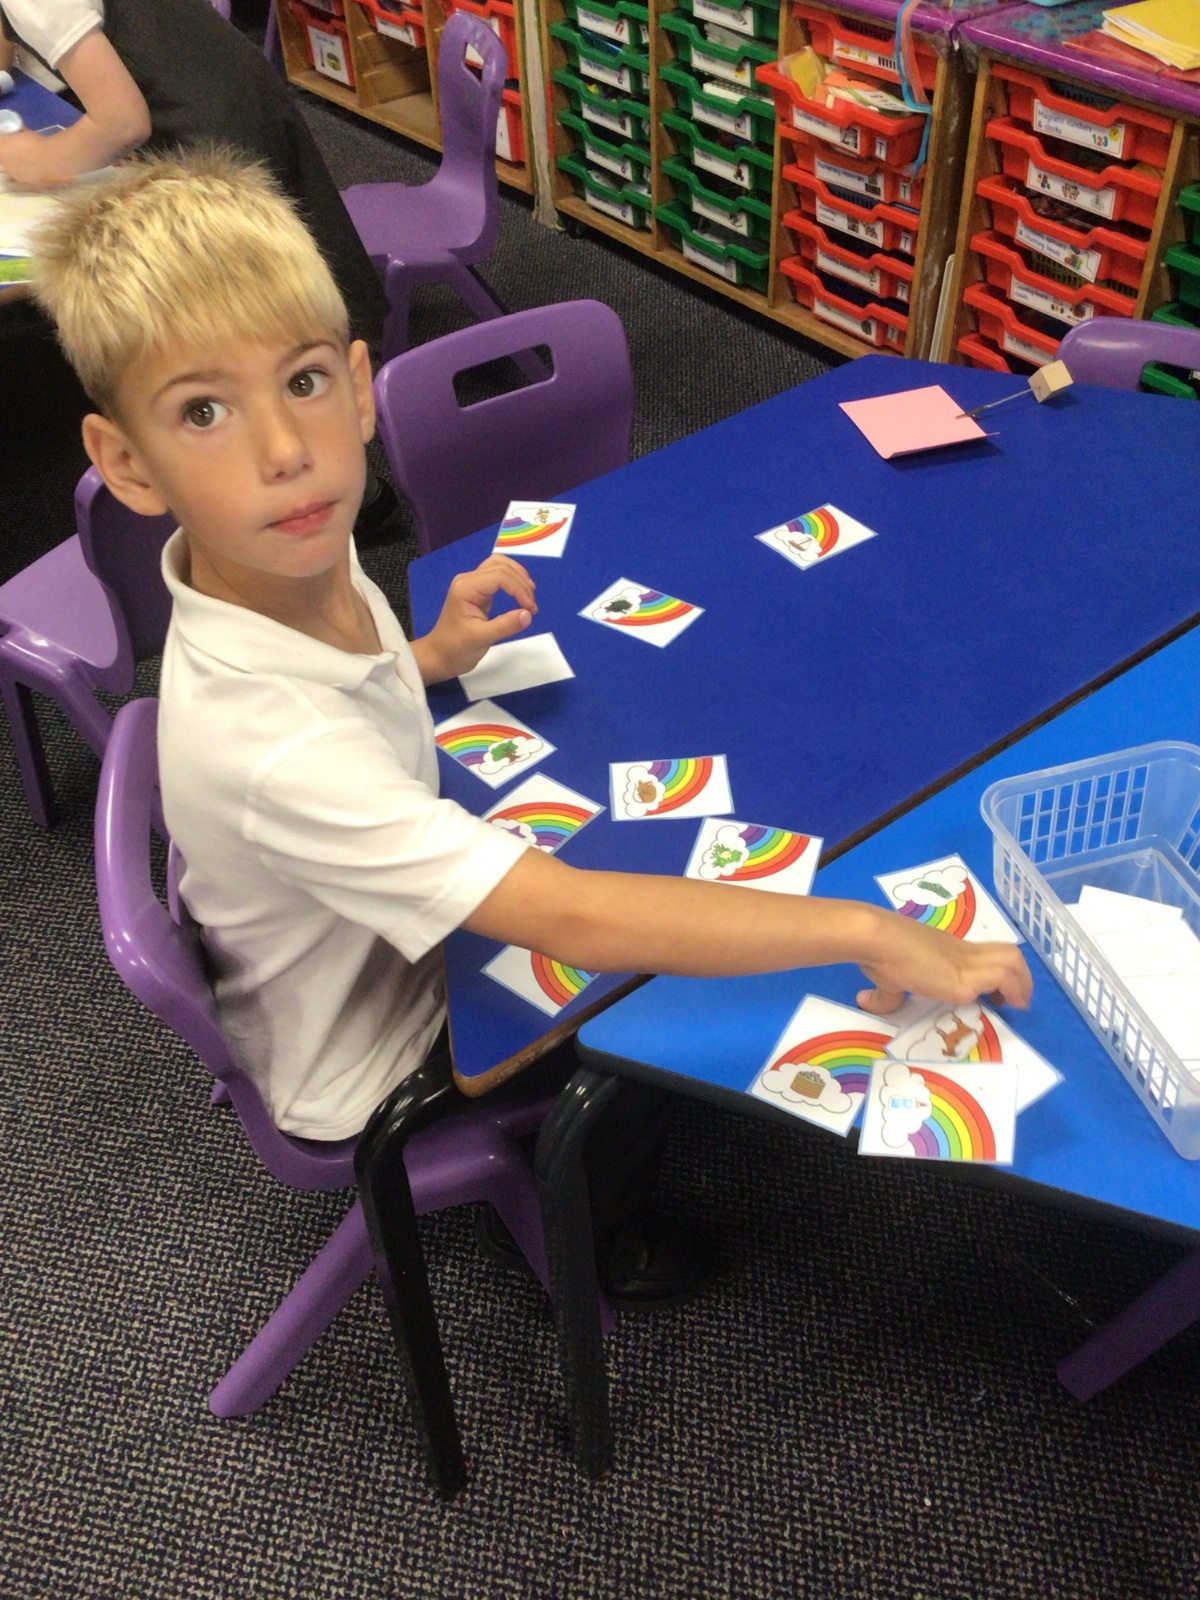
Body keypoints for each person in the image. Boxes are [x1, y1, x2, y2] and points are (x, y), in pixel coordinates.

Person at [32, 152, 1033, 1307]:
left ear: (357, 387)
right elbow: (575, 919)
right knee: (652, 978)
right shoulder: (275, 739)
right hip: (374, 1050)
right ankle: (602, 1237)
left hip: (347, 935)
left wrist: (432, 656)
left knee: (656, 858)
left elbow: (347, 688)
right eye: (203, 411)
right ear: (126, 462)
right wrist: (865, 928)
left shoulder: (277, 557)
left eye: (301, 382)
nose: (282, 450)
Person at [0, 0, 399, 541]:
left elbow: (122, 120)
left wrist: (46, 159)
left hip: (209, 142)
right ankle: (345, 490)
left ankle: (334, 502)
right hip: (229, 97)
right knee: (278, 323)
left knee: (239, 331)